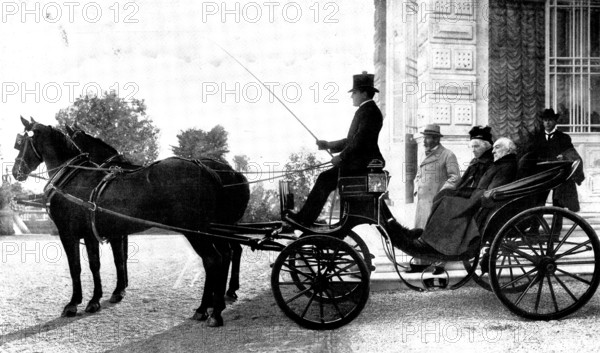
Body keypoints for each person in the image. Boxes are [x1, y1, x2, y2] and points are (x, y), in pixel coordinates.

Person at [284, 71, 384, 227]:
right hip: (359, 164)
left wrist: (342, 157)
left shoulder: (369, 112)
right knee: (325, 178)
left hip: (360, 166)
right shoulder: (367, 111)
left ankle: (304, 219)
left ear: (364, 94)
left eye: (355, 93)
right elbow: (351, 141)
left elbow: (359, 141)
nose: (352, 96)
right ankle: (306, 218)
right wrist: (328, 145)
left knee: (324, 179)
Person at [418, 137, 518, 256]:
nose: (493, 151)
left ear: (508, 150)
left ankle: (437, 243)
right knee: (444, 195)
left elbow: (493, 192)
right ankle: (431, 239)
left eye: (497, 147)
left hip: (483, 202)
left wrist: (468, 196)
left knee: (446, 203)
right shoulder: (501, 163)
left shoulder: (507, 165)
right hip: (479, 197)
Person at [410, 124, 460, 272]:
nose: (424, 141)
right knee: (421, 232)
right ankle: (422, 262)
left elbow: (455, 177)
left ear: (437, 139)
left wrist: (442, 192)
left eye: (428, 138)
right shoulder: (423, 154)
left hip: (437, 201)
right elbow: (419, 174)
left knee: (436, 233)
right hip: (423, 201)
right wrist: (416, 187)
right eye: (424, 137)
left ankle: (439, 264)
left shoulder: (447, 154)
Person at [533, 108, 584, 212]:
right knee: (538, 201)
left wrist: (564, 156)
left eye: (550, 120)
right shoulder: (537, 137)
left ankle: (557, 227)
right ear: (542, 122)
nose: (547, 122)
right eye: (545, 120)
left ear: (555, 122)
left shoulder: (564, 137)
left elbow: (571, 154)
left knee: (558, 202)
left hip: (558, 174)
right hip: (542, 174)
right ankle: (535, 226)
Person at [435, 126, 494, 201]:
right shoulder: (475, 161)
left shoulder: (490, 162)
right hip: (467, 192)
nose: (473, 150)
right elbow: (462, 181)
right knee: (442, 194)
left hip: (477, 195)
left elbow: (481, 187)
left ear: (486, 146)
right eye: (471, 147)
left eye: (476, 146)